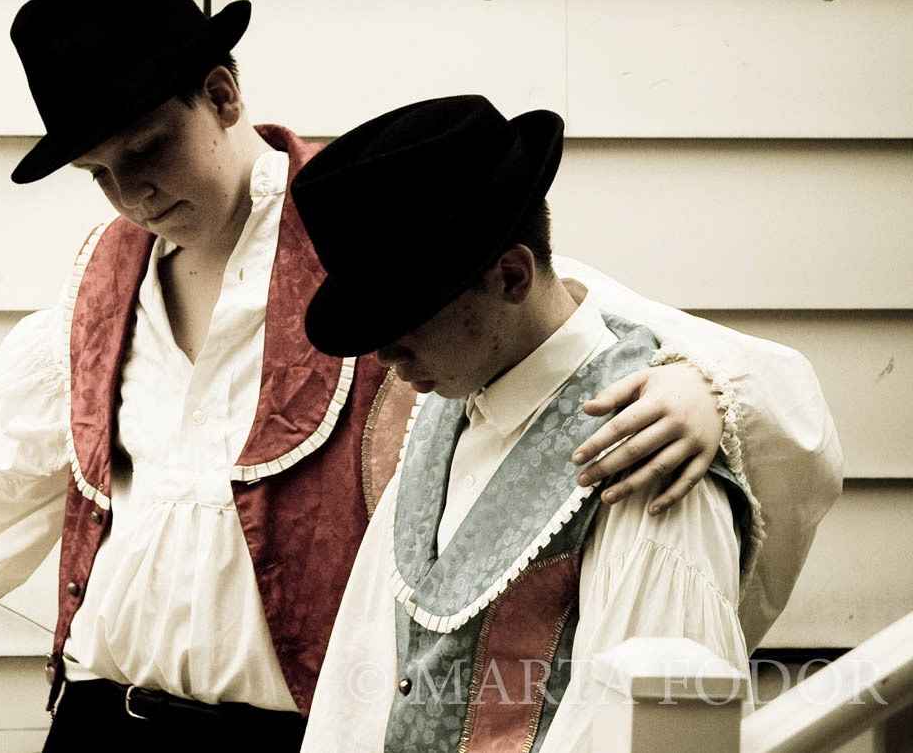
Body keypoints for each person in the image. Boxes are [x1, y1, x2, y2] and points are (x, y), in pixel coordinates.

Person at [0, 0, 840, 748]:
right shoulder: (101, 279)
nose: (132, 192)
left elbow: (560, 322)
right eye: (100, 171)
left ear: (223, 90)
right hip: (100, 720)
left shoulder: (367, 228)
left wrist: (700, 389)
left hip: (286, 733)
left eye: (149, 147)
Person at [289, 95, 799, 752]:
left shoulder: (643, 453)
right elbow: (363, 668)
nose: (384, 355)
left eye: (408, 314)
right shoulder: (444, 401)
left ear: (510, 276)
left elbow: (648, 729)